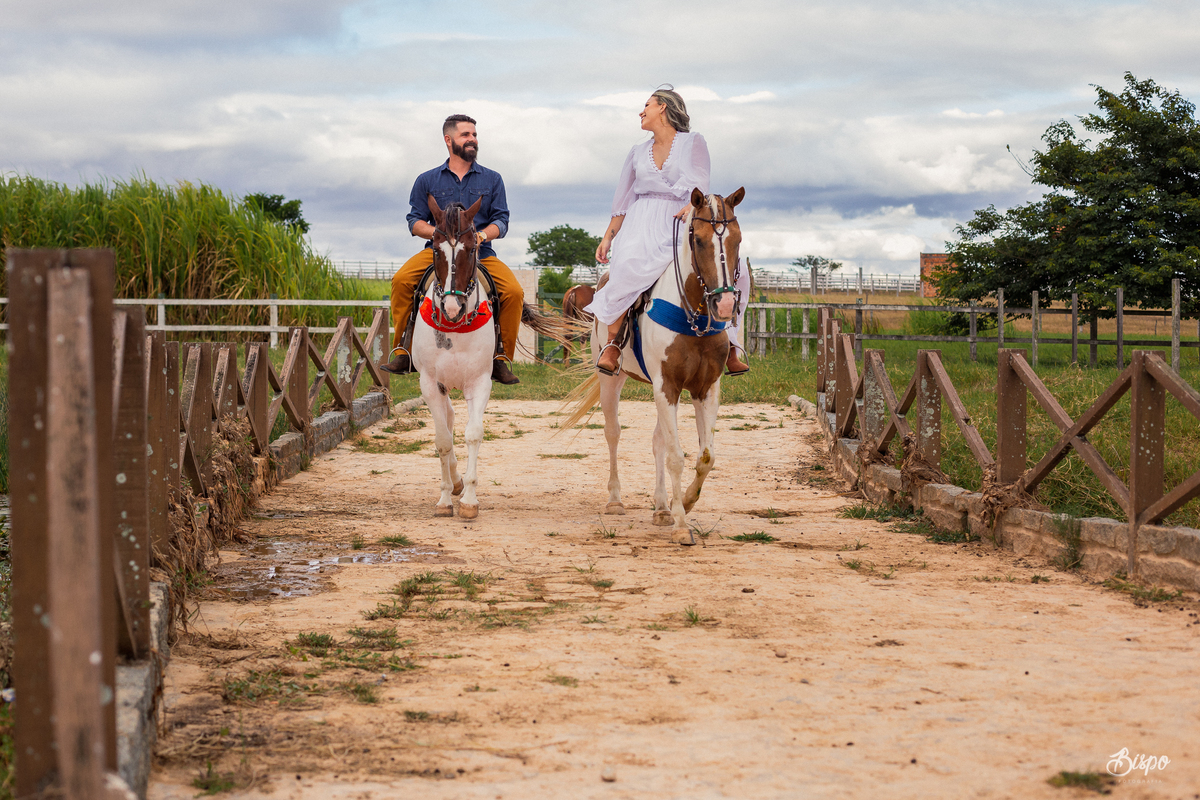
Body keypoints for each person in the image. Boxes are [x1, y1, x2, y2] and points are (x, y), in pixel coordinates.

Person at [586, 87, 750, 377]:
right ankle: (612, 343)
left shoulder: (693, 142)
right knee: (626, 267)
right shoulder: (636, 152)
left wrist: (691, 206)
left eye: (647, 105)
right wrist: (608, 237)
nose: (641, 111)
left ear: (662, 107)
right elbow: (622, 201)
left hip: (681, 219)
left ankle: (731, 342)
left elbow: (700, 182)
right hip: (641, 223)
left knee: (738, 270)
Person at [380, 114, 523, 385]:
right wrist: (439, 235)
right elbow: (414, 221)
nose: (472, 140)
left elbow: (501, 221)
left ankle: (501, 358)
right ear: (448, 140)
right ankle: (403, 350)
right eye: (465, 135)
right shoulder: (427, 180)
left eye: (474, 135)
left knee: (514, 292)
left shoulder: (493, 179)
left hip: (479, 253)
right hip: (439, 252)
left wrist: (481, 236)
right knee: (401, 281)